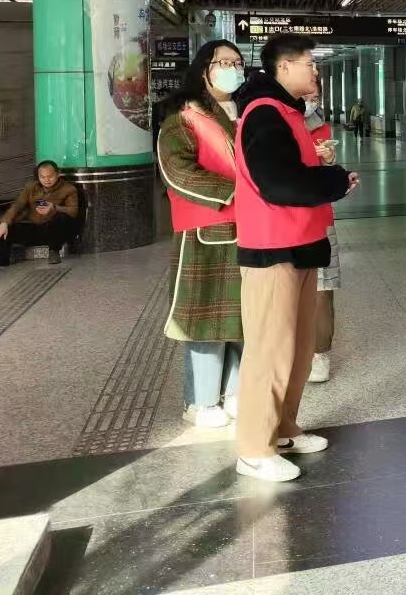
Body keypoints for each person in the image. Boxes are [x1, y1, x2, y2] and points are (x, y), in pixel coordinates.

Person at [232, 34, 355, 482]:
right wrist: (333, 182)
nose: (315, 71)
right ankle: (254, 448)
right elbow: (278, 183)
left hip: (301, 242)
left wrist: (329, 178)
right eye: (309, 64)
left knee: (298, 347)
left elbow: (297, 172)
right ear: (283, 68)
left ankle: (283, 428)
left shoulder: (288, 112)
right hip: (272, 248)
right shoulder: (264, 113)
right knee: (270, 348)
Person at [157, 40, 247, 429]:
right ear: (203, 69)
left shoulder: (244, 114)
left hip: (249, 228)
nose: (233, 69)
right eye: (224, 62)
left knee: (242, 317)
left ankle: (235, 393)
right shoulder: (184, 118)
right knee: (206, 318)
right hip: (206, 231)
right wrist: (235, 191)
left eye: (238, 63)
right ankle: (200, 401)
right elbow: (177, 170)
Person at [304, 91, 342, 384]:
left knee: (322, 289)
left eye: (316, 95)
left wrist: (330, 163)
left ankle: (320, 354)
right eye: (307, 95)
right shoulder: (271, 122)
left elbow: (326, 174)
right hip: (282, 220)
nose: (311, 100)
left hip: (318, 217)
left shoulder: (321, 126)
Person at [0, 161, 81, 265]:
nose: (46, 180)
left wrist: (54, 207)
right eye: (42, 177)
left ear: (58, 174)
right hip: (35, 227)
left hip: (54, 230)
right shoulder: (31, 187)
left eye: (50, 176)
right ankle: (1, 263)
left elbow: (73, 211)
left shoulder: (68, 189)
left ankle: (54, 252)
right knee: (3, 227)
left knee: (60, 217)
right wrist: (4, 223)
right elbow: (17, 205)